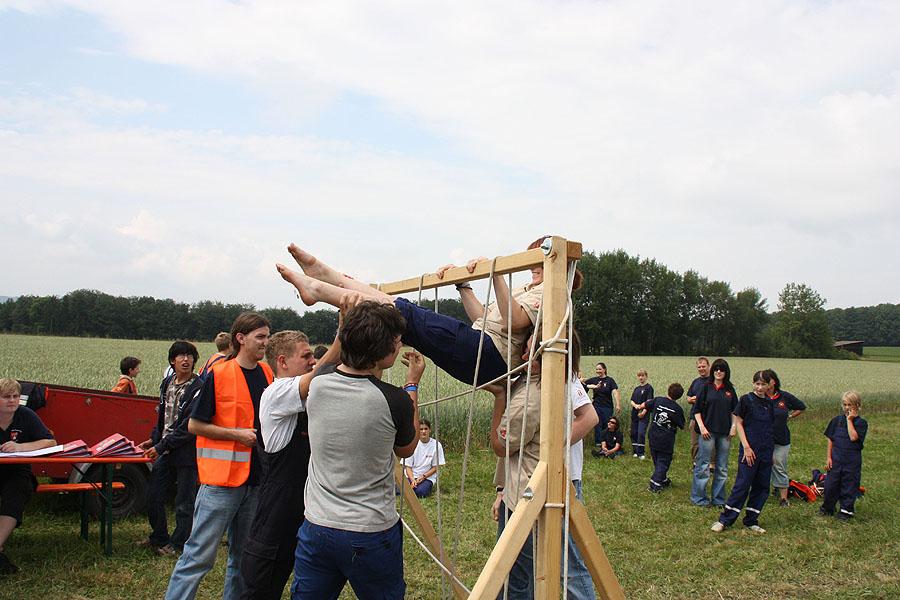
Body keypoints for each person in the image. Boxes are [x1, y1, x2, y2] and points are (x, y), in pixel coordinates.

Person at [275, 237, 582, 386]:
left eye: (535, 263)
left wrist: (497, 274)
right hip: (480, 347)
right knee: (399, 312)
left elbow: (515, 321)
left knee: (402, 314)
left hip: (491, 357)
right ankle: (328, 277)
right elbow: (481, 318)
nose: (531, 269)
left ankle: (319, 288)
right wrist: (464, 285)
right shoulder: (527, 288)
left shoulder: (554, 294)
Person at [291, 301, 422, 599]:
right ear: (383, 349)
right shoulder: (395, 401)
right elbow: (407, 448)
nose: (399, 344)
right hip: (370, 532)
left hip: (317, 526)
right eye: (396, 340)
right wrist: (412, 385)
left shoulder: (319, 382)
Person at [164, 313, 273, 600]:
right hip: (220, 485)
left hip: (255, 481)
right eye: (260, 337)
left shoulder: (267, 374)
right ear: (241, 338)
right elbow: (194, 425)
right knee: (198, 557)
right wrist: (236, 435)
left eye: (267, 336)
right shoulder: (219, 374)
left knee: (242, 560)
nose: (266, 342)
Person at [490, 330, 598, 600]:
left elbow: (589, 417)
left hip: (557, 479)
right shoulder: (530, 381)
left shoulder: (561, 379)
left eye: (528, 349)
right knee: (517, 566)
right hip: (527, 482)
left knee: (567, 565)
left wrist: (553, 447)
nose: (523, 355)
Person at [239, 327, 340, 600]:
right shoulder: (277, 393)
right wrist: (344, 332)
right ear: (282, 362)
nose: (312, 361)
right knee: (260, 590)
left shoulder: (309, 395)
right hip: (276, 517)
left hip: (308, 513)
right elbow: (318, 375)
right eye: (306, 355)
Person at [137, 341, 204, 556]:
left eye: (189, 356)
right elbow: (163, 418)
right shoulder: (167, 383)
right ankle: (158, 536)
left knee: (184, 501)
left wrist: (161, 445)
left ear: (194, 360)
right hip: (165, 448)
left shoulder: (199, 387)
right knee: (153, 495)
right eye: (180, 356)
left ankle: (179, 544)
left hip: (186, 451)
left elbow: (188, 427)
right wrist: (153, 439)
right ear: (172, 361)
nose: (185, 360)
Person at [0, 378, 57, 574]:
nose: (12, 401)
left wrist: (21, 447)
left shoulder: (26, 415)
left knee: (17, 491)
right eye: (6, 397)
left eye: (16, 396)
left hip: (17, 472)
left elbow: (50, 442)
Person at [711, 371, 774, 534]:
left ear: (769, 385)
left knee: (762, 486)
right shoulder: (746, 400)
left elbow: (770, 427)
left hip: (766, 450)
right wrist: (746, 446)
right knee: (742, 484)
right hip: (749, 449)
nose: (760, 387)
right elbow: (739, 423)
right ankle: (724, 520)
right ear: (753, 384)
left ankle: (751, 520)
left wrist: (771, 452)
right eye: (757, 384)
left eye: (763, 384)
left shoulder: (769, 403)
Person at [690, 358, 737, 507]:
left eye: (721, 369)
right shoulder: (706, 387)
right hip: (707, 433)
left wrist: (733, 427)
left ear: (726, 372)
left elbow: (735, 411)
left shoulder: (730, 390)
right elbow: (696, 410)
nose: (718, 371)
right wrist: (702, 428)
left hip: (724, 434)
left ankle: (718, 500)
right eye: (716, 369)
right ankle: (699, 498)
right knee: (703, 466)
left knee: (722, 467)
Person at [820, 391, 867, 521]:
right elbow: (831, 439)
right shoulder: (836, 421)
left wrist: (850, 420)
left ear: (857, 405)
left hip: (851, 461)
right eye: (845, 404)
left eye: (850, 405)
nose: (847, 408)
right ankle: (827, 508)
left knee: (849, 485)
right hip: (836, 459)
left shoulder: (861, 423)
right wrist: (829, 457)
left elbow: (853, 437)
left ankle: (846, 511)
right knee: (830, 486)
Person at [763, 369, 806, 507]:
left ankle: (783, 498)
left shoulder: (784, 397)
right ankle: (764, 492)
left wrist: (790, 416)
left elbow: (801, 407)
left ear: (773, 382)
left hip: (781, 439)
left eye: (766, 381)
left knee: (778, 464)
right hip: (763, 439)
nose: (763, 384)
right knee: (764, 465)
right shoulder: (759, 397)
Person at [643, 383, 686, 493]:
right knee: (664, 460)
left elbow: (645, 405)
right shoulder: (678, 409)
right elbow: (682, 425)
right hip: (666, 439)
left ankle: (663, 479)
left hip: (653, 435)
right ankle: (655, 483)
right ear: (679, 396)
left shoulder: (658, 400)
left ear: (668, 390)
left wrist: (639, 407)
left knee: (656, 458)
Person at [402, 419, 445, 498]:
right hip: (411, 476)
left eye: (426, 429)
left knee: (421, 492)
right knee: (399, 489)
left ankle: (415, 490)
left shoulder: (436, 445)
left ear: (430, 430)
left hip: (427, 477)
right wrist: (412, 480)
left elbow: (436, 467)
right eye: (421, 429)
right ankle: (408, 489)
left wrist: (423, 477)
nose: (423, 431)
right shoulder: (412, 443)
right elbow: (407, 466)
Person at [582, 362, 620, 453]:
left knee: (606, 425)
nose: (598, 371)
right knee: (597, 424)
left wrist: (618, 404)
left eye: (599, 369)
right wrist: (583, 379)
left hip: (607, 407)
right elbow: (582, 384)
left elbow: (615, 392)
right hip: (596, 406)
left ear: (604, 370)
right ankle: (598, 444)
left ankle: (607, 444)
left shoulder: (610, 380)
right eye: (597, 369)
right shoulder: (594, 380)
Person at [685, 357, 710, 465]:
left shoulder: (713, 381)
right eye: (699, 367)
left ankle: (711, 463)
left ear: (709, 366)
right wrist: (690, 399)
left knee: (710, 441)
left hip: (709, 417)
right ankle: (696, 462)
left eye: (703, 366)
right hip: (694, 416)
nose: (701, 369)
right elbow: (688, 397)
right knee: (695, 442)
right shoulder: (695, 382)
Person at [629, 369, 654, 458]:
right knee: (634, 432)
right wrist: (635, 405)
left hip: (644, 414)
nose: (641, 378)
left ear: (646, 377)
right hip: (634, 414)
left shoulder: (649, 388)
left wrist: (643, 412)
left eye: (643, 376)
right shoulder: (636, 389)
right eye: (639, 376)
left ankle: (641, 453)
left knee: (641, 433)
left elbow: (649, 401)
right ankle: (635, 451)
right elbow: (632, 400)